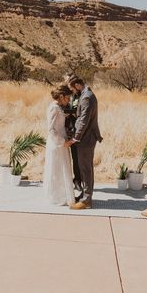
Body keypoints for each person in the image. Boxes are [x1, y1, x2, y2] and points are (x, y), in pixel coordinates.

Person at [67, 77, 103, 209]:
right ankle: (85, 195)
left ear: (77, 85)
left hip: (86, 139)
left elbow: (83, 120)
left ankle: (87, 199)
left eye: (72, 88)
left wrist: (75, 138)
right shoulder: (86, 94)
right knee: (85, 169)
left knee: (86, 169)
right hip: (85, 138)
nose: (72, 91)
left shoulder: (87, 97)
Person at [43, 85, 75, 206]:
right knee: (56, 170)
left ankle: (62, 195)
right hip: (57, 144)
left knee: (61, 169)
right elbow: (51, 129)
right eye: (67, 98)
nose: (68, 101)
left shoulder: (58, 107)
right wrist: (63, 141)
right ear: (61, 96)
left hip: (61, 142)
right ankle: (57, 197)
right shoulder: (54, 108)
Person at [62, 73, 82, 192]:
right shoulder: (63, 94)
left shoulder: (81, 96)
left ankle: (78, 180)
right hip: (65, 129)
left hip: (76, 129)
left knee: (77, 157)